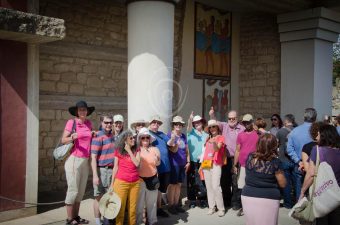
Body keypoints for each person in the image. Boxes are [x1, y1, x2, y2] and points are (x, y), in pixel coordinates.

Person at [241, 133, 287, 225]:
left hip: (248, 195)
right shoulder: (275, 162)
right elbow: (283, 184)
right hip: (268, 197)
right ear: (273, 146)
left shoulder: (250, 157)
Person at [299, 124, 340, 225]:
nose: (316, 136)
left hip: (322, 193)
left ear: (323, 135)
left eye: (318, 134)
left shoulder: (317, 150)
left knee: (321, 221)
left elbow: (311, 174)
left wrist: (303, 191)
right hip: (338, 195)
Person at [62, 100, 95, 225]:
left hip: (85, 161)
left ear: (87, 111)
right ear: (76, 111)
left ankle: (76, 217)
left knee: (80, 191)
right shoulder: (72, 122)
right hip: (74, 160)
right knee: (73, 190)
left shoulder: (88, 123)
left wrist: (93, 134)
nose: (82, 111)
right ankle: (70, 219)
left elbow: (89, 139)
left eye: (84, 109)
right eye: (80, 109)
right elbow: (63, 139)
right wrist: (71, 137)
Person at [209, 107, 245, 209]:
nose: (232, 120)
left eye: (233, 118)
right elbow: (215, 122)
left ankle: (235, 202)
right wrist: (212, 114)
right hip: (225, 157)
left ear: (237, 118)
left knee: (235, 181)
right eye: (230, 118)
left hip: (236, 158)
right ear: (227, 119)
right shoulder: (224, 126)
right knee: (224, 180)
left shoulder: (242, 128)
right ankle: (226, 200)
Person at [286, 108, 317, 203]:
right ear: (315, 117)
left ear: (304, 117)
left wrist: (299, 162)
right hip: (316, 165)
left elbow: (289, 149)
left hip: (300, 165)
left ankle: (300, 211)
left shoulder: (295, 131)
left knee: (300, 194)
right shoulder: (319, 131)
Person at [111, 130, 140, 225]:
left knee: (132, 210)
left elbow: (137, 163)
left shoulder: (137, 149)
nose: (133, 140)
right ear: (125, 140)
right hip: (121, 182)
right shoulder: (118, 150)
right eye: (130, 138)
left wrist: (129, 151)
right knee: (120, 209)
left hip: (135, 183)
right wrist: (112, 184)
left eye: (133, 138)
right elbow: (115, 167)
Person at [91, 114, 115, 225]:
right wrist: (95, 175)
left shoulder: (112, 136)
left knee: (108, 196)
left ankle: (107, 219)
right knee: (98, 197)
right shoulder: (98, 136)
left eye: (110, 122)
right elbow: (93, 157)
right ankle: (97, 221)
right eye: (106, 122)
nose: (108, 124)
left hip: (111, 170)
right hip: (102, 170)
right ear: (101, 123)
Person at [233, 114, 259, 216]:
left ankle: (254, 207)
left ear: (252, 122)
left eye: (248, 122)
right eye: (244, 123)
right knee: (242, 187)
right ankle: (244, 208)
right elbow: (237, 150)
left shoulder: (258, 134)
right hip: (243, 165)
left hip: (255, 165)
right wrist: (235, 165)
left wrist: (259, 130)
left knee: (253, 186)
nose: (246, 124)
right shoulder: (240, 135)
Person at [136, 128, 160, 225]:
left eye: (147, 137)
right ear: (140, 139)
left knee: (152, 204)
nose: (145, 139)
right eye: (143, 137)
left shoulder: (155, 149)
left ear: (150, 139)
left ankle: (152, 221)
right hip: (140, 180)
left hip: (152, 179)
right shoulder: (137, 150)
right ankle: (139, 222)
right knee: (139, 204)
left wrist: (157, 159)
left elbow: (158, 163)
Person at [148, 115, 171, 217]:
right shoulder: (147, 134)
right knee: (154, 190)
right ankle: (153, 210)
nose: (156, 124)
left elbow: (170, 143)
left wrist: (174, 138)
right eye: (154, 122)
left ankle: (159, 208)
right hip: (155, 168)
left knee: (161, 190)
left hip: (165, 167)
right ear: (150, 123)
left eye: (158, 123)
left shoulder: (162, 134)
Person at [202, 119, 226, 217]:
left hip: (216, 163)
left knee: (216, 186)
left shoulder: (221, 137)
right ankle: (211, 207)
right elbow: (204, 152)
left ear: (217, 128)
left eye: (214, 126)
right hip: (206, 163)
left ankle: (221, 208)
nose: (212, 129)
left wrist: (214, 142)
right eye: (210, 127)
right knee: (209, 187)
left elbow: (217, 149)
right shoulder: (207, 138)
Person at [166, 116, 190, 214]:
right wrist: (175, 143)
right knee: (172, 185)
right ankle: (171, 205)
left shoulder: (183, 136)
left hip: (182, 164)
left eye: (180, 124)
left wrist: (188, 162)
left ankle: (176, 204)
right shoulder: (169, 135)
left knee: (179, 185)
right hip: (174, 164)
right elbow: (172, 149)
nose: (178, 126)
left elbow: (187, 150)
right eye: (176, 124)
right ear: (173, 125)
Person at [187, 112, 209, 208]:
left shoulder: (206, 135)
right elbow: (188, 127)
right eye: (195, 122)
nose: (197, 124)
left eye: (198, 122)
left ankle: (202, 199)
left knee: (203, 180)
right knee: (192, 181)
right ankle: (192, 200)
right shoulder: (190, 132)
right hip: (192, 161)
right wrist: (190, 119)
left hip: (204, 161)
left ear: (202, 122)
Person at [276, 114, 297, 209]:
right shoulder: (297, 130)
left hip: (283, 159)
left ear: (285, 121)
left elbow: (276, 144)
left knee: (286, 183)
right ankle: (297, 202)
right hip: (295, 160)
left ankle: (288, 203)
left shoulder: (280, 132)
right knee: (297, 182)